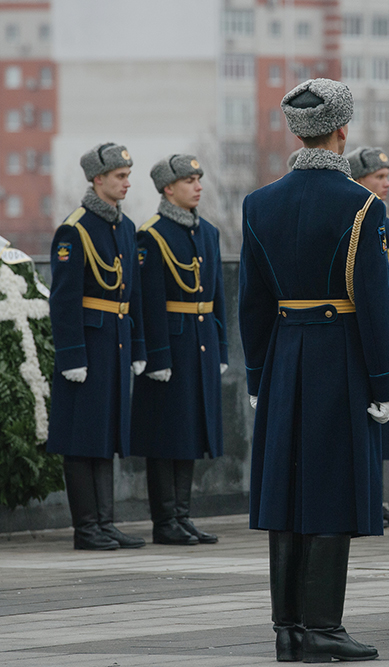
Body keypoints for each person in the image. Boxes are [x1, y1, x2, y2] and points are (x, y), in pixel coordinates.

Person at [239, 78, 389, 663]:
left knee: (285, 492)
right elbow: (376, 301)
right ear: (342, 131)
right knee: (332, 488)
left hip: (284, 356)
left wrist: (258, 375)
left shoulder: (259, 203)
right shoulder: (362, 204)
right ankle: (323, 629)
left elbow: (252, 304)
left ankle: (288, 629)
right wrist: (387, 381)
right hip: (339, 357)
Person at [48, 142, 147, 551]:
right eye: (120, 176)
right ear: (98, 179)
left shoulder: (124, 227)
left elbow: (133, 295)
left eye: (128, 175)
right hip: (87, 346)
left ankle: (105, 523)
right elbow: (64, 299)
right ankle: (86, 528)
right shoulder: (75, 229)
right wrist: (72, 355)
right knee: (80, 438)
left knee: (106, 436)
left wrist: (138, 346)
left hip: (116, 343)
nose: (126, 182)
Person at [131, 154, 228, 546]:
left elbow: (218, 296)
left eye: (199, 179)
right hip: (170, 346)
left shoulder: (208, 233)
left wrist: (220, 347)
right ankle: (164, 520)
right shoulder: (150, 235)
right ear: (168, 188)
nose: (198, 186)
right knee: (165, 435)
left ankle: (183, 516)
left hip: (199, 342)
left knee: (189, 431)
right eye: (189, 180)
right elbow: (148, 301)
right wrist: (156, 356)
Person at [345, 146, 389, 528]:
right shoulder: (359, 220)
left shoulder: (388, 222)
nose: (386, 184)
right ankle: (371, 498)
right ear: (358, 180)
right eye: (378, 177)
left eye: (388, 176)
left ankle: (385, 499)